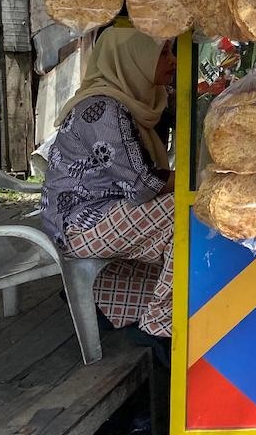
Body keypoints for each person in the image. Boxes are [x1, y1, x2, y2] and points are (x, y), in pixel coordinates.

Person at [41, 28, 177, 359]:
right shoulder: (102, 108)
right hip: (79, 223)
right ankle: (158, 326)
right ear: (133, 59)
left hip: (105, 209)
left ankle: (106, 300)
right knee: (186, 211)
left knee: (179, 225)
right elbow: (143, 185)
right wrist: (196, 178)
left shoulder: (136, 99)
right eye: (163, 53)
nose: (173, 61)